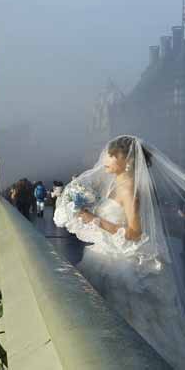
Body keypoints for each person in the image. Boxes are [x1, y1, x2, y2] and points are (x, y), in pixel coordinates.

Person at [53, 135, 185, 367]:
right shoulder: (117, 184)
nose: (107, 158)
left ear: (129, 160)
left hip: (125, 263)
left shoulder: (131, 189)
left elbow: (134, 233)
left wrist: (93, 218)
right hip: (111, 255)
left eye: (113, 155)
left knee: (129, 325)